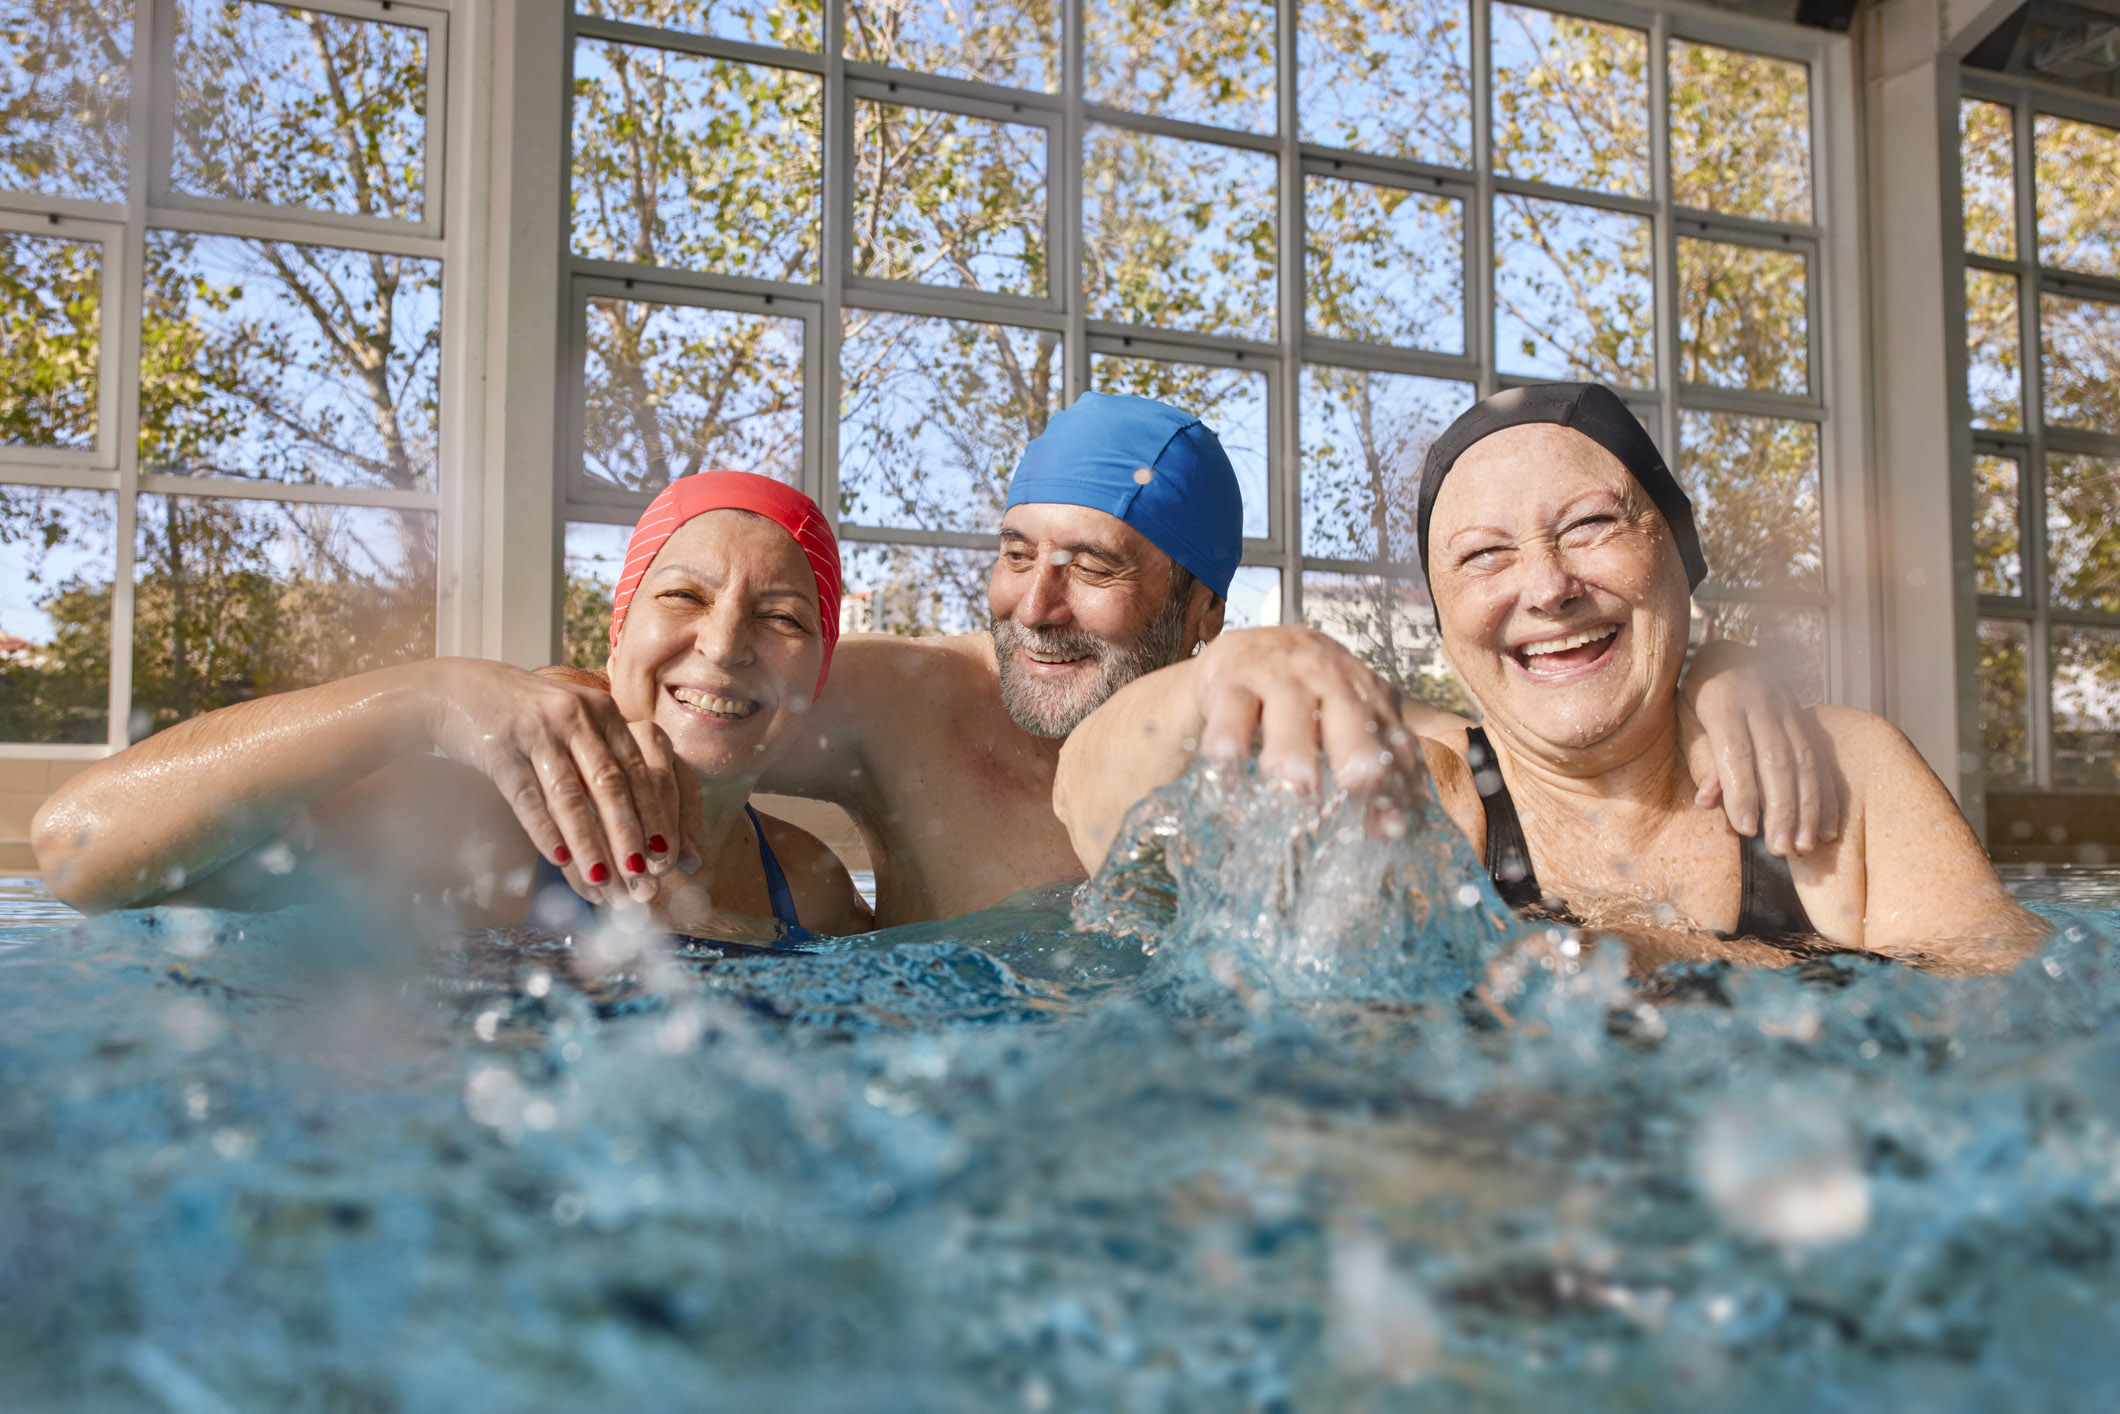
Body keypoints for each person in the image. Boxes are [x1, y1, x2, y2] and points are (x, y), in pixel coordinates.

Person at [38, 393, 1835, 933]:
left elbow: (1536, 725)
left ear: (1200, 611)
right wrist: (436, 685)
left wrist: (1722, 673)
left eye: (1098, 573)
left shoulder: (1282, 718)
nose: (1040, 608)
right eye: (1016, 558)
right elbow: (671, 676)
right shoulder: (888, 698)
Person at [1054, 384, 2046, 975]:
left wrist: (1676, 958)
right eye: (1482, 557)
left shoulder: (1838, 775)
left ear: (1678, 561)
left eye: (1590, 525)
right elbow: (1089, 803)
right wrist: (1229, 668)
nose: (1546, 586)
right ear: (1448, 626)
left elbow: (2016, 1009)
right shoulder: (1426, 805)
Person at [33, 473, 872, 944]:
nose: (725, 645)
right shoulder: (475, 831)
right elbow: (74, 853)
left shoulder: (809, 884)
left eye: (784, 617)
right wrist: (425, 699)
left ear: (816, 679)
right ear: (617, 641)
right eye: (685, 595)